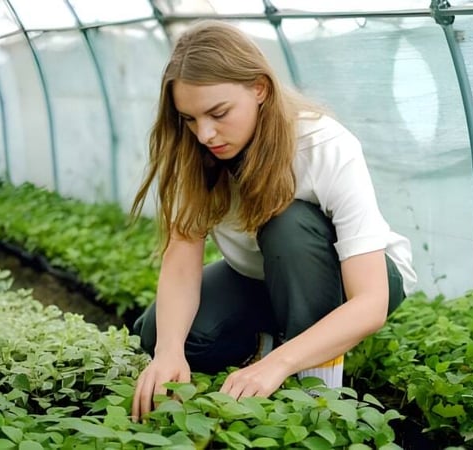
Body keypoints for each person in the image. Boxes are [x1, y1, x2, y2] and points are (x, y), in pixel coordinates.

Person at [129, 20, 416, 421]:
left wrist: (278, 366)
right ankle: (273, 338)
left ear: (259, 88)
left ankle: (317, 386)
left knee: (288, 221)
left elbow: (371, 302)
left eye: (218, 113)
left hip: (354, 282)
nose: (206, 133)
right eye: (190, 119)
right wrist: (168, 354)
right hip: (262, 278)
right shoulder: (192, 153)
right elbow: (181, 260)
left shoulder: (324, 145)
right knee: (158, 333)